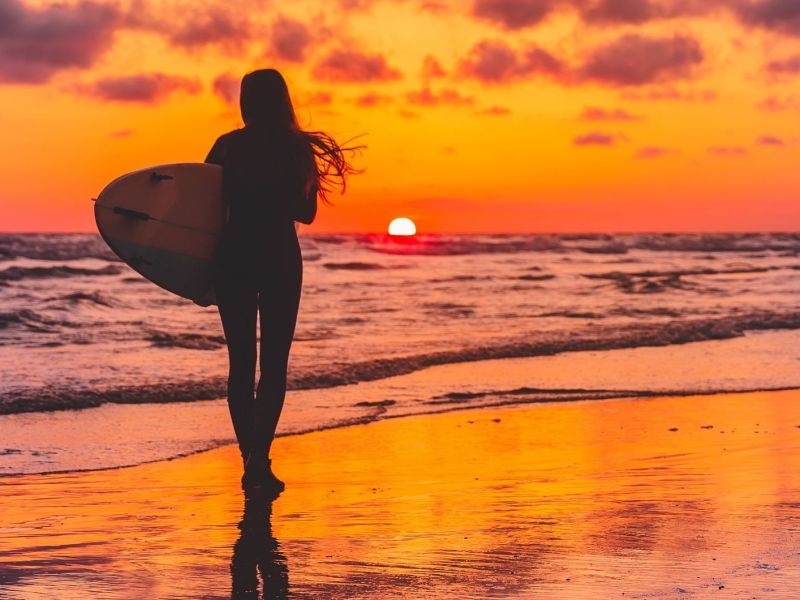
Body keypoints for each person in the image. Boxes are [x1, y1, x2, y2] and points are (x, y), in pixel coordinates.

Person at [205, 69, 358, 495]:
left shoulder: (226, 146)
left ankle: (249, 460)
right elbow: (306, 214)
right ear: (283, 100)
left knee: (240, 365)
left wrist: (196, 271)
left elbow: (202, 212)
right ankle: (259, 461)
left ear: (246, 101)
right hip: (278, 259)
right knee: (274, 366)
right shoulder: (295, 149)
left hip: (232, 258)